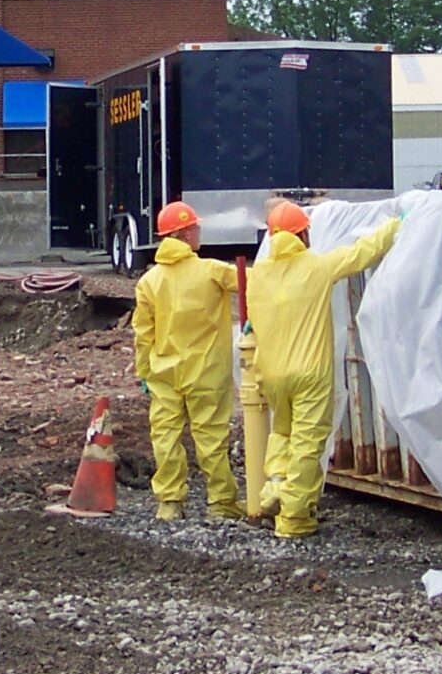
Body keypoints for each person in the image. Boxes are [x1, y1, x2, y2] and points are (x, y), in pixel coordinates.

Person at [244, 199, 400, 538]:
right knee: (307, 444)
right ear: (301, 235)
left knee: (282, 434)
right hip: (310, 375)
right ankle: (294, 518)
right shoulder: (316, 267)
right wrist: (395, 224)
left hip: (271, 375)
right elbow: (362, 252)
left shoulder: (259, 276)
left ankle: (274, 489)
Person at [129, 201, 243, 521]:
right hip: (207, 372)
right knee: (211, 438)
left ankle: (170, 502)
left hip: (164, 374)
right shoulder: (212, 271)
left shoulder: (149, 282)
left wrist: (144, 373)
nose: (199, 233)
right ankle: (221, 503)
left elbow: (143, 335)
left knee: (165, 437)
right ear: (185, 234)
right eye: (196, 228)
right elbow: (255, 283)